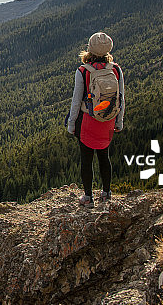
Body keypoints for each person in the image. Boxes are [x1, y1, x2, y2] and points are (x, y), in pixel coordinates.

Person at [67, 31, 125, 207]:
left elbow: (76, 101)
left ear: (89, 48)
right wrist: (119, 121)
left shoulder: (83, 71)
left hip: (88, 121)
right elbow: (121, 98)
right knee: (104, 157)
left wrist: (71, 124)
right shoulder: (115, 69)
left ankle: (88, 197)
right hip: (107, 119)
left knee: (86, 159)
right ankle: (106, 193)